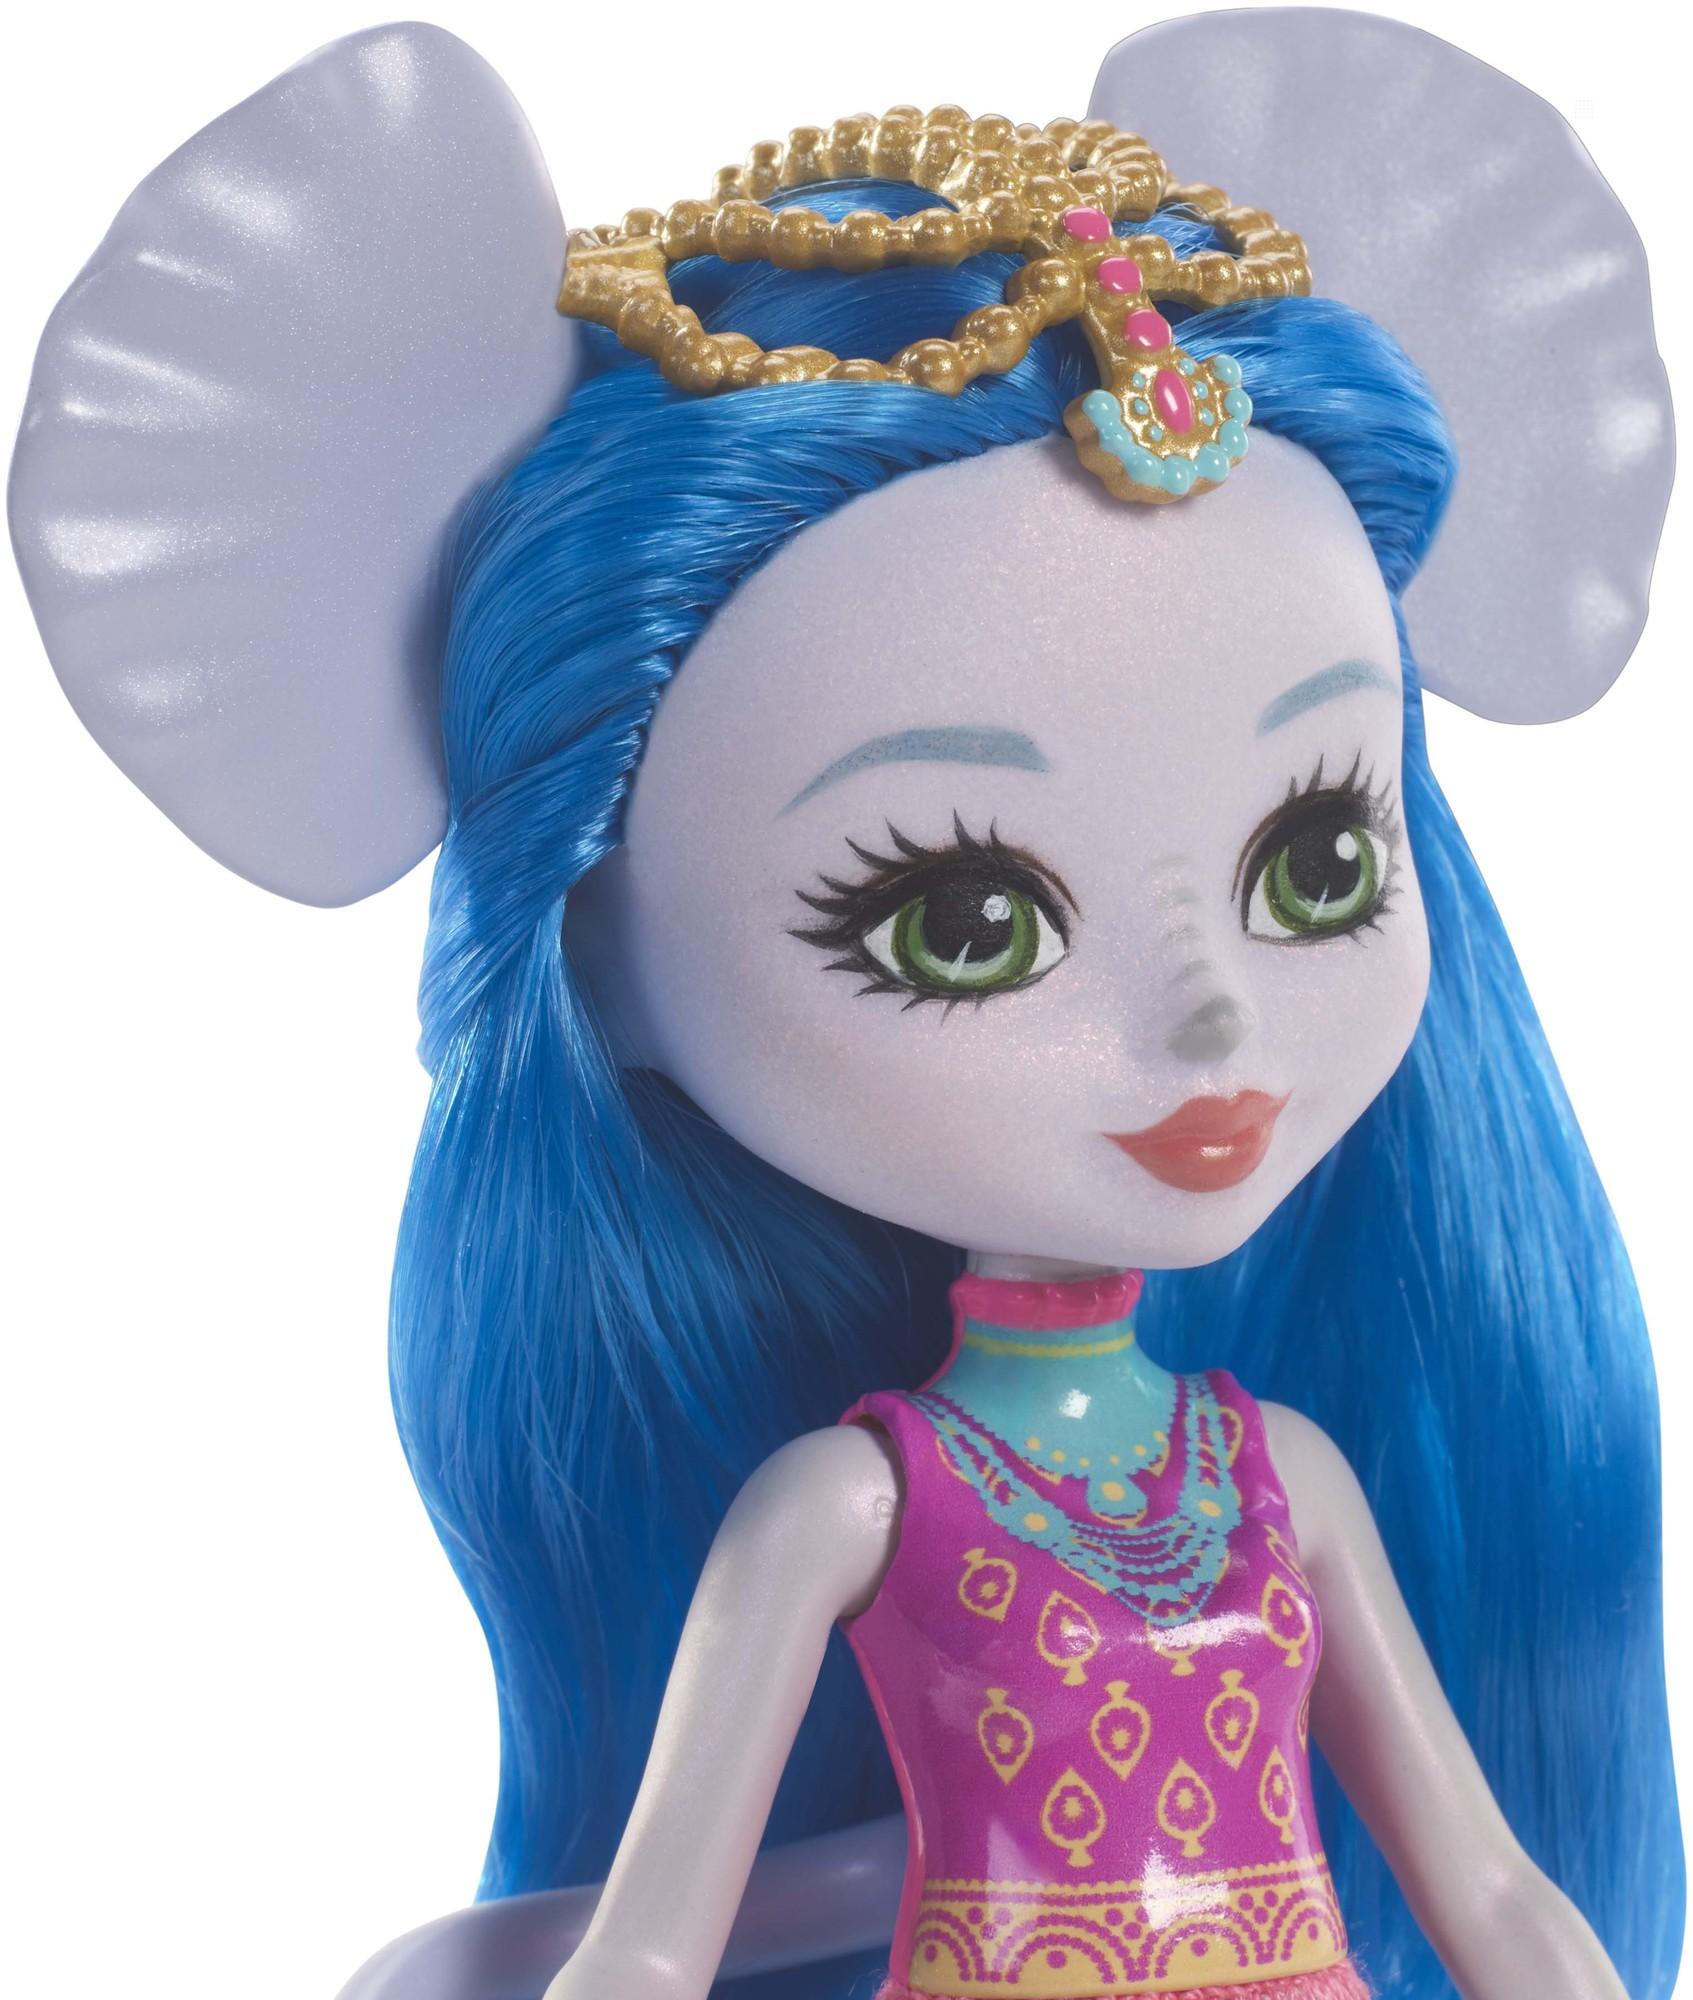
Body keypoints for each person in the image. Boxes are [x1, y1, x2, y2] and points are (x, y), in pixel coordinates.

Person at [9, 16, 1680, 2000]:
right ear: (602, 961)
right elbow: (655, 1943)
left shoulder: (1280, 1478)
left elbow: (1492, 1890)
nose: (1215, 1027)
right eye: (964, 922)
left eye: (1318, 861)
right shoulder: (850, 1507)